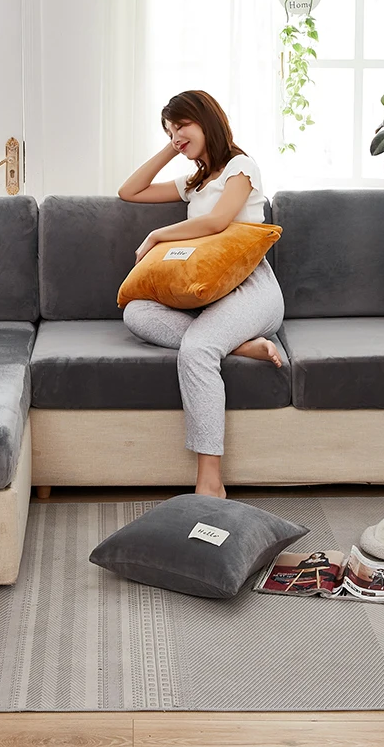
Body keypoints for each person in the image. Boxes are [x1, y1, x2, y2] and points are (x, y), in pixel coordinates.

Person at [117, 90, 285, 499]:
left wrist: (157, 235)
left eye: (183, 125)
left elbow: (217, 222)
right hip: (205, 294)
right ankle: (241, 347)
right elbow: (129, 191)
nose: (176, 135)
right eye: (169, 130)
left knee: (196, 350)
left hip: (251, 289)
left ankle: (210, 481)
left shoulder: (241, 168)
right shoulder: (194, 182)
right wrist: (171, 146)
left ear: (207, 120)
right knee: (135, 312)